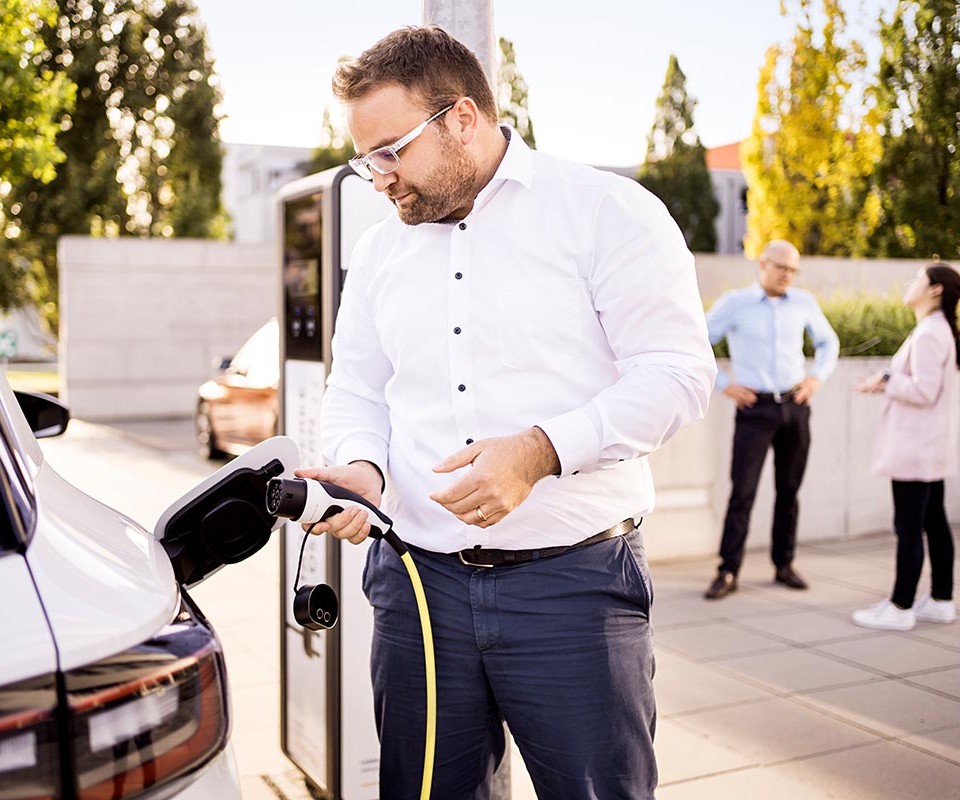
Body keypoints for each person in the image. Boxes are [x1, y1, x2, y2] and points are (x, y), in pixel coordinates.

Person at [292, 26, 716, 800]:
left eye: (392, 150)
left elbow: (680, 374)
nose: (378, 177)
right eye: (366, 158)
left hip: (574, 588)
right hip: (415, 588)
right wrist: (362, 463)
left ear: (462, 118)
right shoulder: (383, 251)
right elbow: (354, 385)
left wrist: (542, 449)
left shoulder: (607, 212)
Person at [703, 240, 839, 600]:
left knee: (789, 491)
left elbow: (829, 343)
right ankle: (728, 570)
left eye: (794, 269)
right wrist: (724, 385)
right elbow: (696, 343)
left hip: (795, 406)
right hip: (755, 411)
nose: (787, 275)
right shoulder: (735, 303)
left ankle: (784, 564)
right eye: (782, 267)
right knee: (742, 492)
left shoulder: (804, 303)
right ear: (762, 264)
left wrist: (816, 378)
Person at [851, 263, 960, 631]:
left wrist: (887, 379)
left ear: (935, 290)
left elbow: (924, 391)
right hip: (928, 447)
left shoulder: (931, 333)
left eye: (918, 279)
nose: (909, 284)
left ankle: (900, 607)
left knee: (909, 526)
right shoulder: (937, 329)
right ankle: (941, 601)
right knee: (934, 522)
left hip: (916, 448)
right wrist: (886, 382)